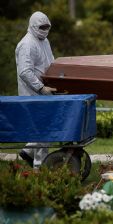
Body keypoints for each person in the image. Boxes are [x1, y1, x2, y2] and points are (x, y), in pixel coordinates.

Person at [15, 11, 56, 169]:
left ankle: (27, 151)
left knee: (47, 127)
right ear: (33, 26)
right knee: (43, 130)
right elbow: (25, 71)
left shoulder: (45, 41)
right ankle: (39, 166)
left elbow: (50, 61)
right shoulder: (27, 44)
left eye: (47, 26)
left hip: (44, 92)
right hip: (31, 94)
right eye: (42, 26)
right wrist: (41, 87)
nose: (45, 29)